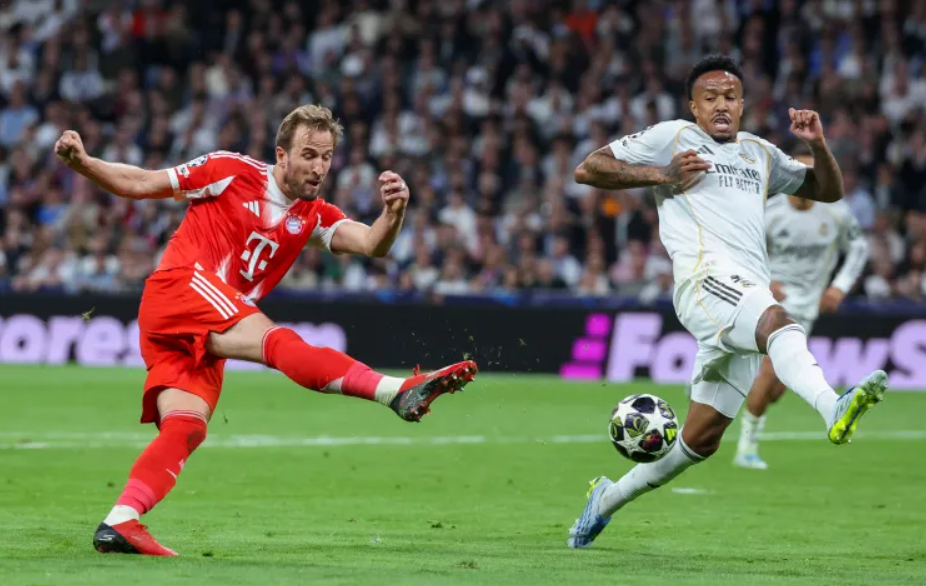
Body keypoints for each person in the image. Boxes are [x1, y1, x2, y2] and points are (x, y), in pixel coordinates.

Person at [54, 104, 478, 557]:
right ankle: (394, 391)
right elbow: (141, 182)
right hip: (182, 287)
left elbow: (372, 243)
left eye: (326, 157)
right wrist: (85, 163)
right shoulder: (230, 171)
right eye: (308, 155)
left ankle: (121, 519)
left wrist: (394, 212)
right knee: (278, 342)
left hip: (202, 327)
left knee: (186, 428)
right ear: (281, 154)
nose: (319, 167)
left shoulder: (314, 215)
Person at [566, 55, 887, 549]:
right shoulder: (673, 136)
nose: (721, 104)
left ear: (742, 105)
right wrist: (662, 174)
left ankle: (605, 500)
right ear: (693, 106)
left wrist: (818, 146)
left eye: (730, 97)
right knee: (779, 321)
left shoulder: (760, 153)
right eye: (710, 97)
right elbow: (587, 169)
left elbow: (828, 189)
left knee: (700, 441)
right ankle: (832, 406)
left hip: (742, 290)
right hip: (705, 281)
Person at [734, 151, 870, 470]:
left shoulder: (836, 212)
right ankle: (746, 448)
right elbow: (742, 250)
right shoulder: (769, 212)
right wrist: (765, 279)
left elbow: (859, 248)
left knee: (777, 388)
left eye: (813, 174)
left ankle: (735, 381)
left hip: (808, 308)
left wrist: (839, 287)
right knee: (771, 371)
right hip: (770, 302)